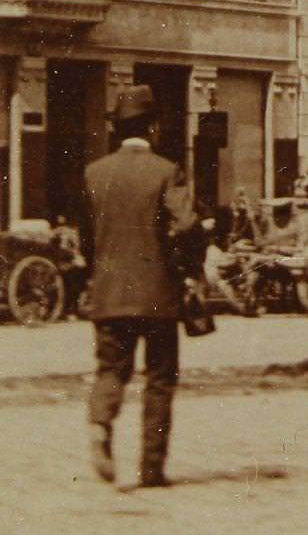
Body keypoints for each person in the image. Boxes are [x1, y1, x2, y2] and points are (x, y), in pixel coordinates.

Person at [81, 84, 202, 489]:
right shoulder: (166, 171)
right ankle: (151, 468)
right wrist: (188, 266)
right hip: (158, 295)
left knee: (111, 369)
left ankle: (100, 424)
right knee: (159, 379)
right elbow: (185, 225)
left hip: (109, 292)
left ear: (119, 130)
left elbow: (86, 237)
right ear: (154, 127)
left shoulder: (94, 173)